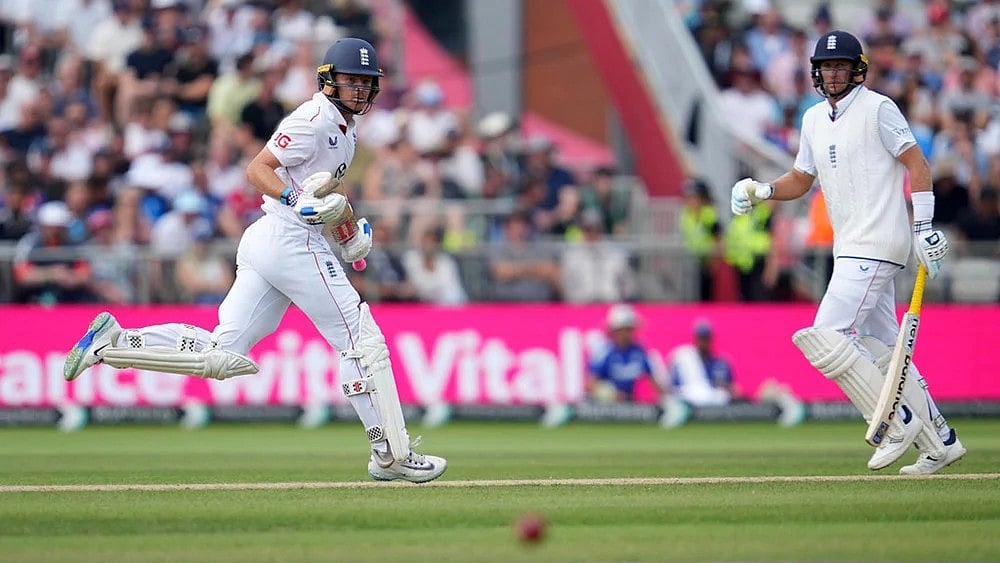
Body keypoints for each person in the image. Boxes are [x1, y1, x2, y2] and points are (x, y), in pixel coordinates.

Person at [62, 38, 447, 484]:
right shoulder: (311, 118)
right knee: (360, 340)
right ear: (329, 81)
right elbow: (257, 170)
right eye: (351, 81)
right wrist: (294, 198)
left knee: (222, 356)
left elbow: (329, 193)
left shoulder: (347, 129)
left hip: (274, 240)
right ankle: (391, 455)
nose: (360, 90)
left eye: (366, 83)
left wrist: (349, 231)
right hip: (289, 237)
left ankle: (114, 342)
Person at [730, 30, 965, 475]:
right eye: (826, 67)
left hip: (879, 241)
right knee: (887, 350)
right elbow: (801, 179)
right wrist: (762, 190)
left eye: (841, 66)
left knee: (827, 334)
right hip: (850, 245)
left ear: (858, 69)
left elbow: (917, 163)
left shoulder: (879, 107)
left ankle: (897, 424)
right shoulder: (814, 118)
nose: (833, 73)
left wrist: (923, 227)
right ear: (816, 72)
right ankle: (941, 441)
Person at [586, 304, 664, 403]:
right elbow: (590, 385)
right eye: (623, 329)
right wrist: (611, 394)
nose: (627, 334)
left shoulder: (639, 352)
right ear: (613, 331)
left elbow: (653, 381)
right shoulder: (604, 352)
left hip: (628, 402)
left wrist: (666, 397)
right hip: (606, 404)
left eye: (630, 329)